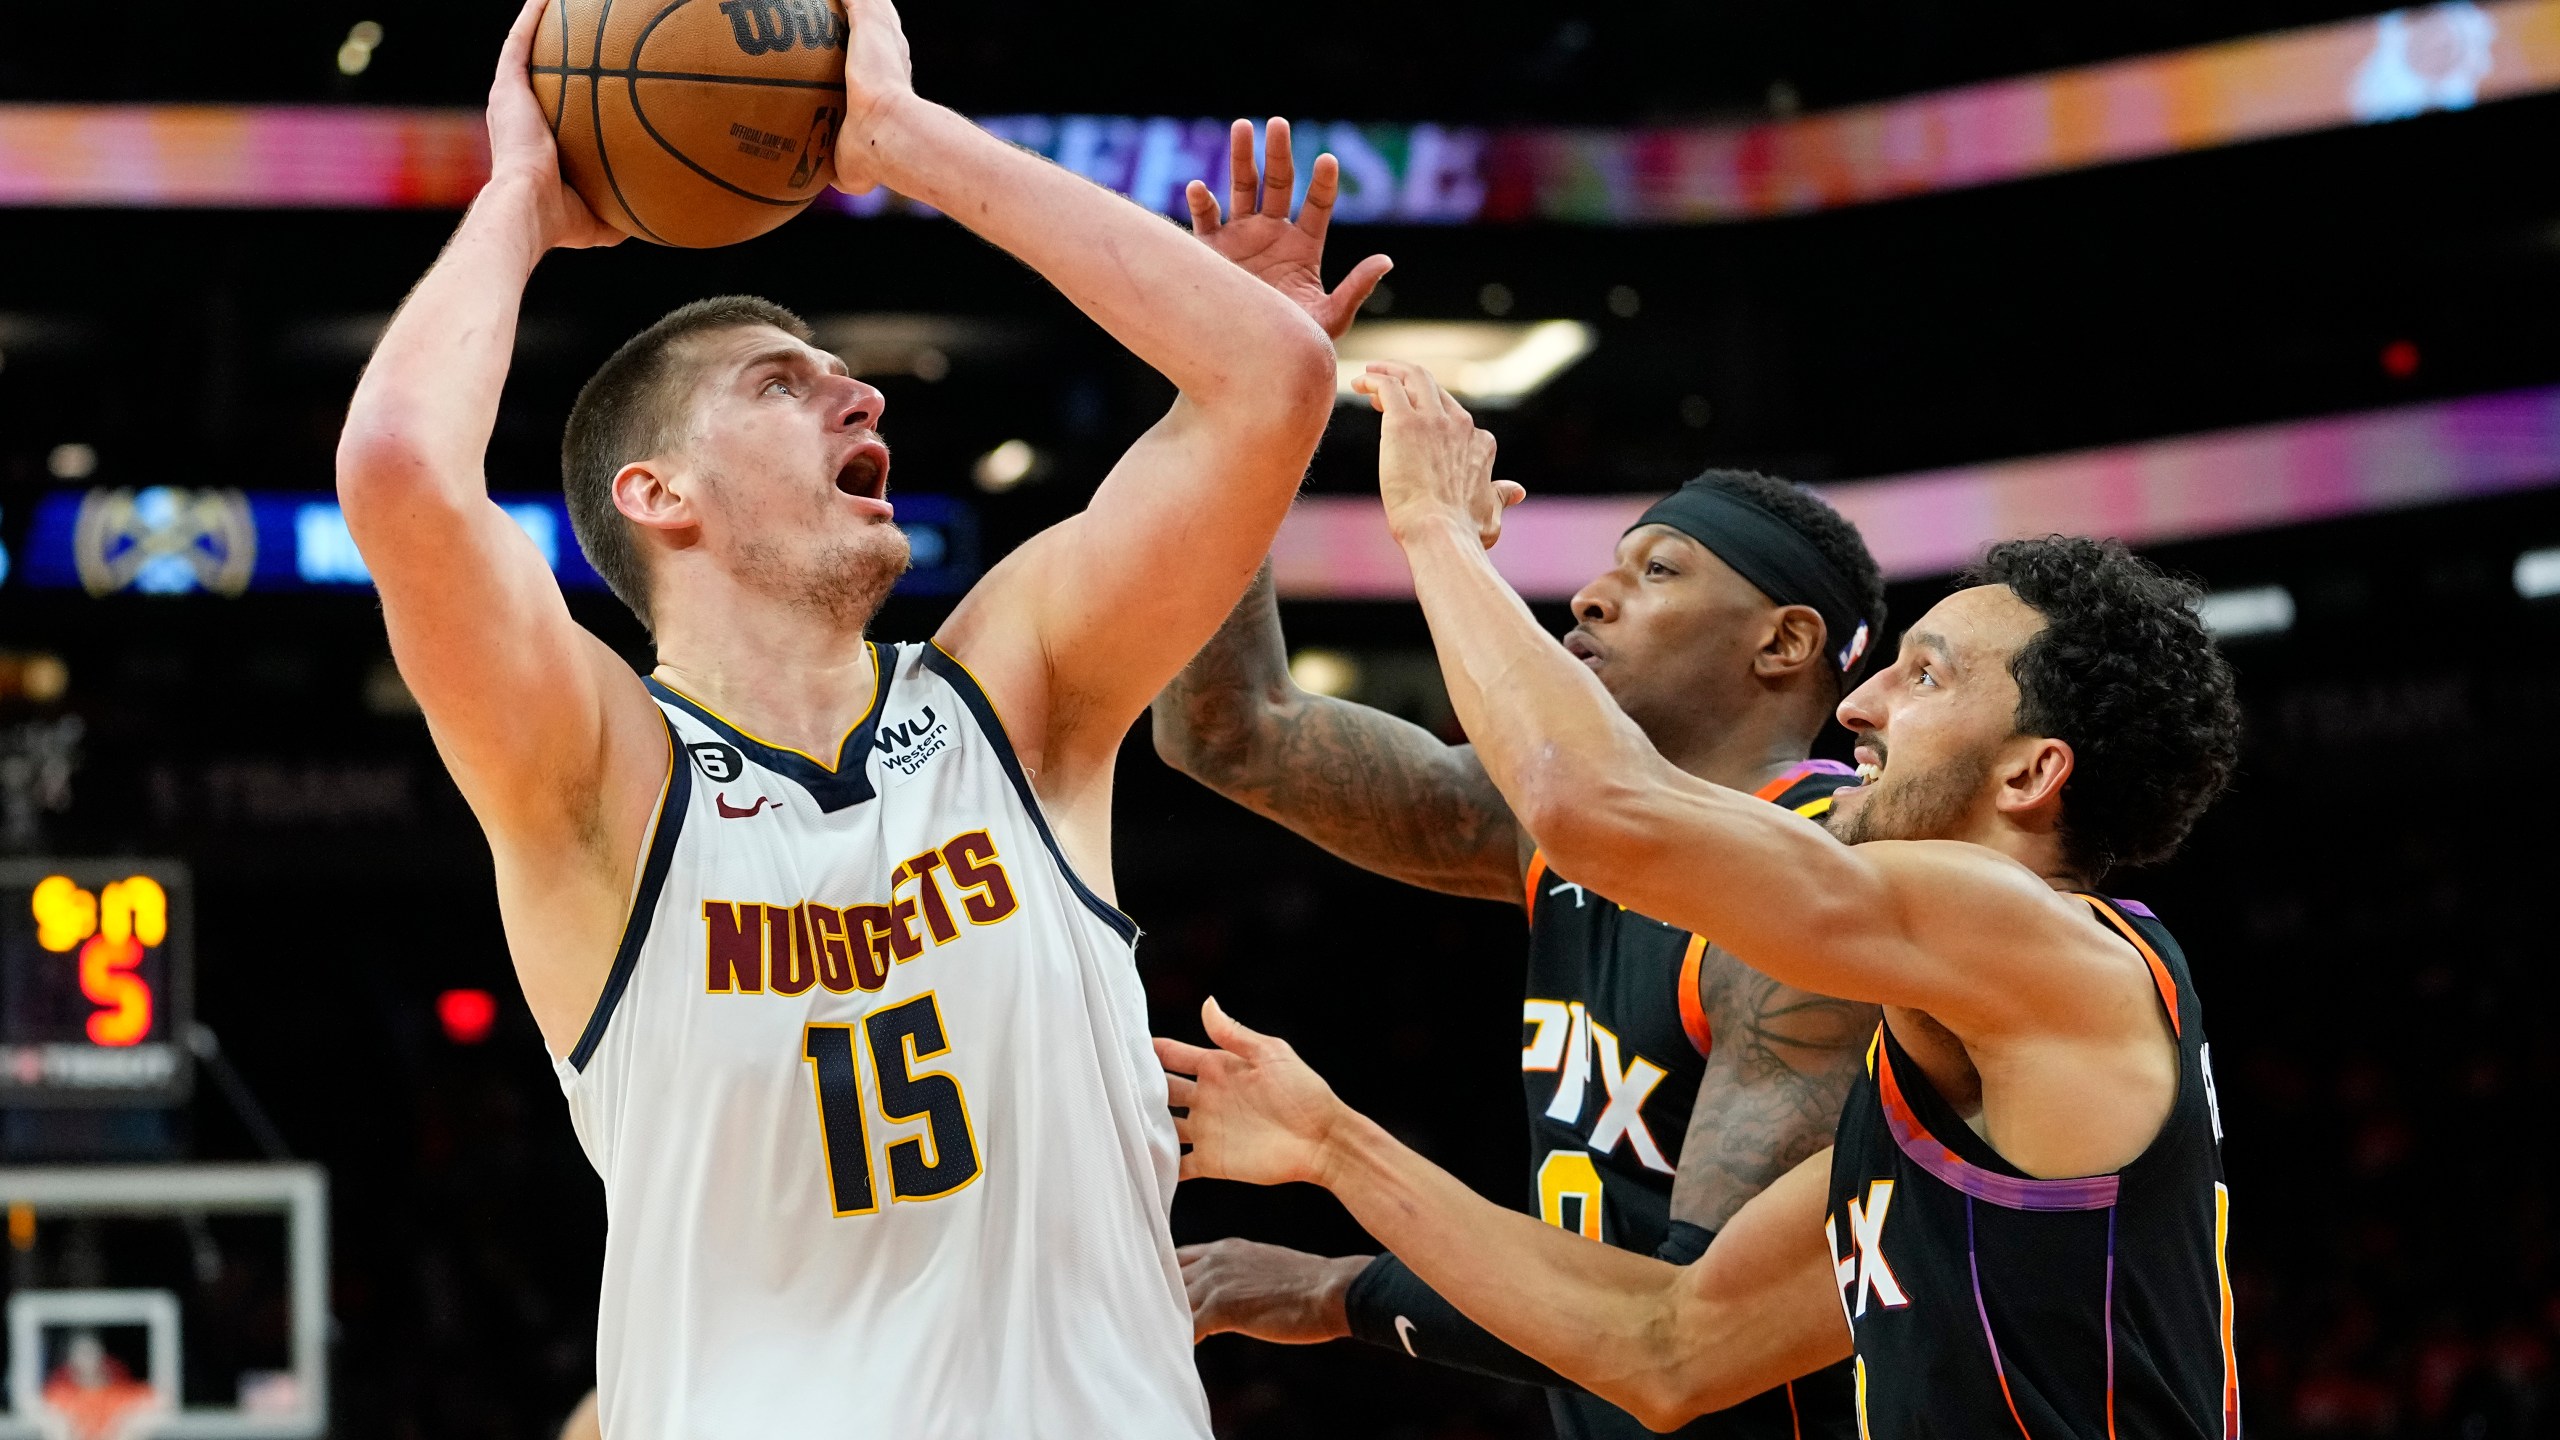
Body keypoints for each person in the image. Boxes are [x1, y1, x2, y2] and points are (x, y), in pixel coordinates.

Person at [333, 0, 1340, 1432]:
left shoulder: (1017, 698)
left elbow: (1272, 378)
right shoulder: (603, 785)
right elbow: (399, 474)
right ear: (656, 493)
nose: (859, 391)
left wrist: (904, 143)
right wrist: (523, 200)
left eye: (841, 376)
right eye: (780, 385)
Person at [1159, 362, 2243, 1438]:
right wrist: (1331, 1149)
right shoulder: (1945, 1072)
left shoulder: (2033, 939)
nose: (1859, 706)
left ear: (2028, 775)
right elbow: (1670, 1350)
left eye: (1924, 678)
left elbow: (1591, 807)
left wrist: (1434, 529)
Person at [1156, 132, 1884, 1436]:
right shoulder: (1551, 838)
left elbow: (1686, 1324)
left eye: (1659, 572)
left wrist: (1333, 1286)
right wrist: (1238, 398)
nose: (1593, 591)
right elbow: (1229, 730)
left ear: (1785, 644)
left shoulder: (1833, 892)